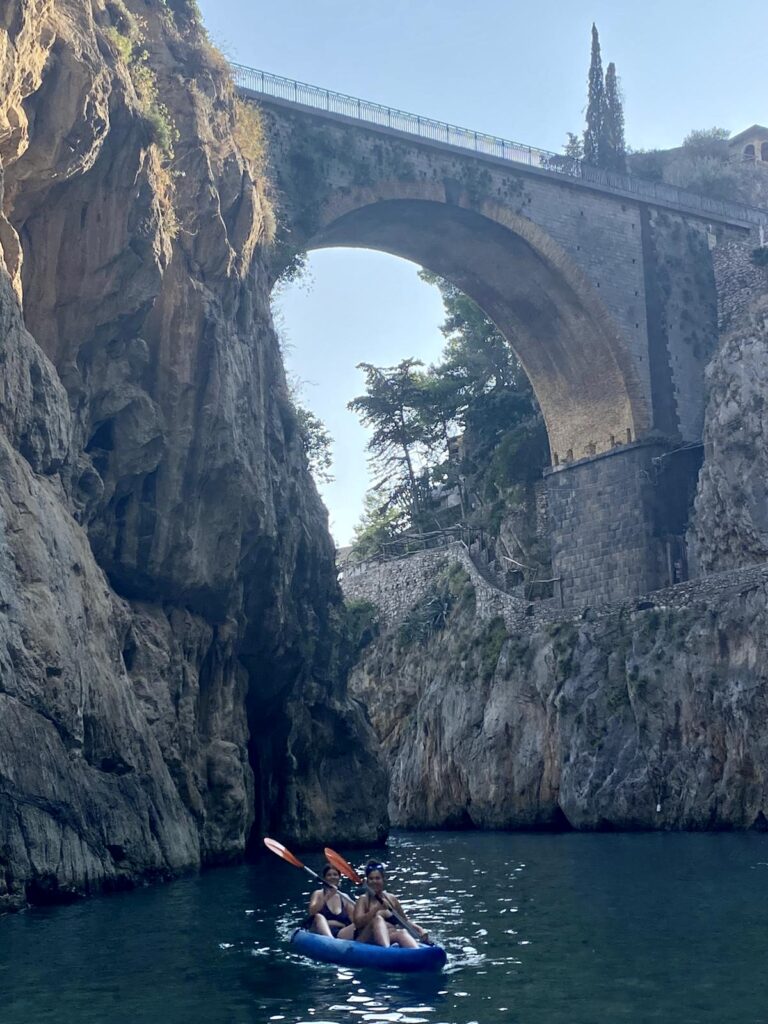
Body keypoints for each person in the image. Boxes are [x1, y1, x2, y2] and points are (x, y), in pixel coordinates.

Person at [352, 860, 428, 948]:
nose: (374, 881)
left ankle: (417, 953)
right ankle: (387, 950)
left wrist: (420, 930)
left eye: (377, 878)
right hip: (367, 938)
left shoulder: (391, 899)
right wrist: (376, 908)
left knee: (402, 932)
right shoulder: (363, 900)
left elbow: (404, 921)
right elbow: (358, 924)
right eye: (371, 879)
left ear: (383, 880)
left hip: (389, 935)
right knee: (378, 919)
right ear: (367, 881)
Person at [307, 864, 355, 939]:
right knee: (318, 916)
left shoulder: (345, 898)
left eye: (335, 874)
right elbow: (312, 913)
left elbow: (354, 921)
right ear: (324, 878)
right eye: (329, 875)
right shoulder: (318, 894)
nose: (332, 877)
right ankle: (331, 941)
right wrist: (328, 896)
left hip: (340, 933)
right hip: (321, 933)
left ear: (339, 878)